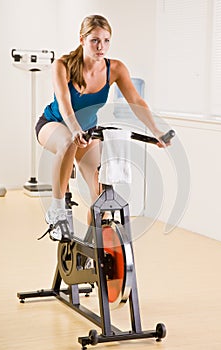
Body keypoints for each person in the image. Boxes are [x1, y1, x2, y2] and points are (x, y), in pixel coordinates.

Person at [35, 14, 169, 241]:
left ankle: (91, 247)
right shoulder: (62, 65)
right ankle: (56, 209)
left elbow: (136, 102)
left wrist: (156, 131)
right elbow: (65, 104)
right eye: (95, 40)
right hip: (54, 125)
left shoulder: (114, 68)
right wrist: (75, 129)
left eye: (106, 41)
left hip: (87, 132)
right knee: (67, 141)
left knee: (102, 200)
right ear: (82, 39)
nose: (101, 47)